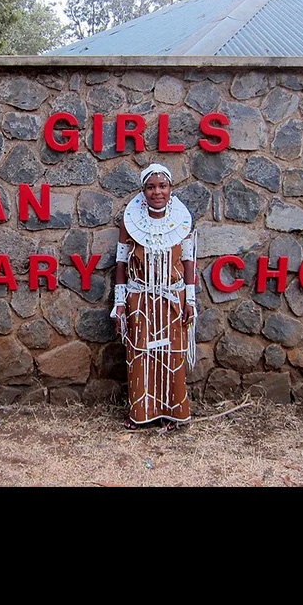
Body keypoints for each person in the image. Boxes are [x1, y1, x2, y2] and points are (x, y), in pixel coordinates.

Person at [111, 163, 198, 432]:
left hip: (173, 299)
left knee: (172, 356)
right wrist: (120, 302)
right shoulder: (131, 222)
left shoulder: (182, 222)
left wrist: (190, 300)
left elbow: (188, 262)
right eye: (151, 187)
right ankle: (141, 413)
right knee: (140, 357)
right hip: (141, 299)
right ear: (143, 191)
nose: (157, 192)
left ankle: (173, 414)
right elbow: (121, 264)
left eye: (162, 186)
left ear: (171, 189)